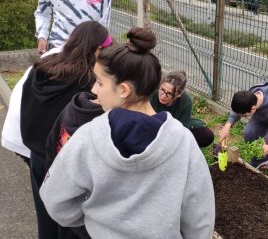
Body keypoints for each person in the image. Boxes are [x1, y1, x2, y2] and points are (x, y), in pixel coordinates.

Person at [40, 28, 215, 238]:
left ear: (123, 90)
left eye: (100, 81)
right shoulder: (183, 142)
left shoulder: (89, 136)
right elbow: (200, 216)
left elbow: (54, 198)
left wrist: (92, 223)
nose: (94, 90)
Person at [20, 21, 112, 239]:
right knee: (71, 226)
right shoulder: (88, 81)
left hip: (38, 156)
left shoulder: (42, 67)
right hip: (67, 164)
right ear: (97, 48)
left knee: (45, 218)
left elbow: (26, 106)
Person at [150, 70, 214, 148]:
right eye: (162, 90)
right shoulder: (152, 93)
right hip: (154, 127)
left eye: (169, 94)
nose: (163, 96)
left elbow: (182, 129)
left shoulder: (186, 101)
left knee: (207, 135)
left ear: (179, 94)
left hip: (174, 127)